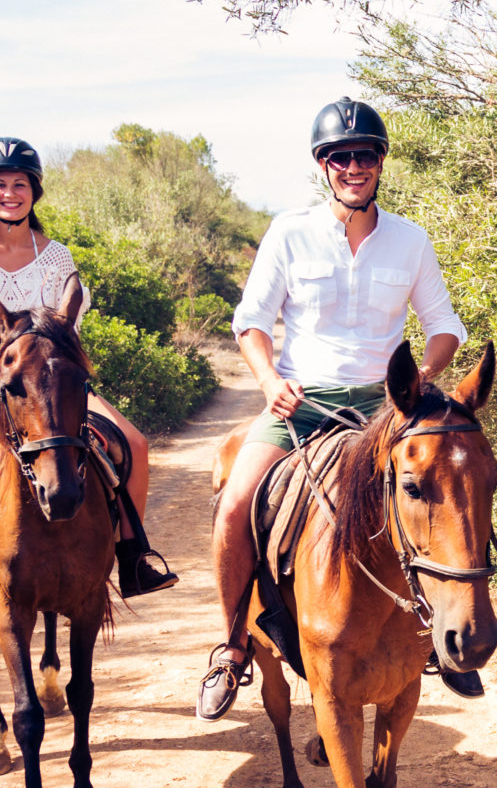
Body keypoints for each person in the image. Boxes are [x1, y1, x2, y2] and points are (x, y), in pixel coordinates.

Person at [198, 97, 477, 720]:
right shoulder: (288, 233)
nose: (354, 166)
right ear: (323, 166)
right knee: (236, 507)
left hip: (384, 412)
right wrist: (269, 380)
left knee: (446, 496)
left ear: (380, 163)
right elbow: (251, 322)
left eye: (366, 156)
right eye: (341, 157)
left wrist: (421, 378)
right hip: (300, 402)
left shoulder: (410, 240)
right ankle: (232, 646)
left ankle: (438, 637)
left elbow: (444, 325)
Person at [0, 136, 177, 622]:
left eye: (20, 184)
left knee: (134, 443)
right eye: (0, 184)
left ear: (35, 191)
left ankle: (133, 556)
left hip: (48, 386)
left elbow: (67, 330)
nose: (10, 193)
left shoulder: (56, 257)